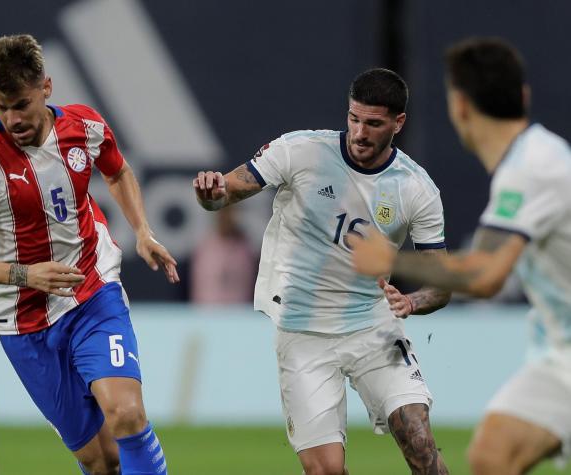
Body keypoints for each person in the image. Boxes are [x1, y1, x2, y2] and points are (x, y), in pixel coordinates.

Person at [0, 34, 178, 475]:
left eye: (21, 104)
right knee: (100, 460)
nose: (12, 119)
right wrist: (24, 275)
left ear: (46, 87)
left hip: (91, 290)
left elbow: (118, 171)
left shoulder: (84, 127)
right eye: (1, 106)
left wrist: (142, 230)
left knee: (126, 413)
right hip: (22, 319)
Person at [193, 69, 452, 474]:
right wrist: (209, 194)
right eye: (354, 118)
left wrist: (412, 301)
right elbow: (224, 195)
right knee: (325, 470)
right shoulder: (301, 151)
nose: (359, 133)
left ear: (398, 123)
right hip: (302, 332)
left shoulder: (415, 188)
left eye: (373, 124)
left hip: (372, 326)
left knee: (419, 440)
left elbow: (442, 285)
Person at [350, 38, 571, 475]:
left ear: (461, 106)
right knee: (492, 455)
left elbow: (484, 275)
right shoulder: (533, 159)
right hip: (559, 354)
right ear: (523, 96)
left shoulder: (531, 169)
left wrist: (391, 260)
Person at [190, 206, 257, 304]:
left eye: (231, 214)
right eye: (224, 214)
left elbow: (249, 287)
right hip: (208, 310)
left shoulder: (245, 249)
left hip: (239, 310)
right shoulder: (204, 249)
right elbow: (199, 289)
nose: (227, 218)